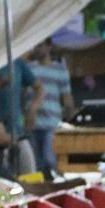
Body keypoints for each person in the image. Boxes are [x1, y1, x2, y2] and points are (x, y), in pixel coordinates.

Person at [28, 39, 75, 177]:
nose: (37, 49)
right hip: (33, 123)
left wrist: (71, 117)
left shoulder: (60, 70)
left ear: (49, 47)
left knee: (50, 159)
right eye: (36, 45)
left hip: (52, 122)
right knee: (37, 164)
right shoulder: (29, 69)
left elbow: (66, 96)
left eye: (40, 45)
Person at [0, 55, 43, 176]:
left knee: (29, 173)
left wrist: (32, 109)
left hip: (17, 131)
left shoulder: (16, 63)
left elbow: (39, 88)